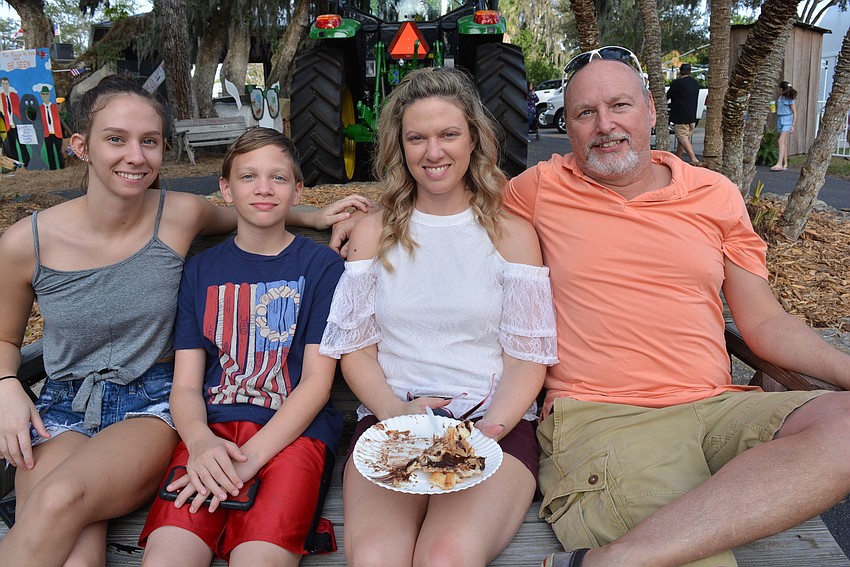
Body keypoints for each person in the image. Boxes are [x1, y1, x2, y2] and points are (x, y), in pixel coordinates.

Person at [499, 47, 850, 567]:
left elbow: (765, 322)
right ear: (567, 128)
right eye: (584, 113)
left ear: (651, 112)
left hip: (717, 407)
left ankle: (602, 562)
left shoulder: (715, 194)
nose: (605, 125)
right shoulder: (537, 189)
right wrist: (341, 217)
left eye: (620, 105)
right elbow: (440, 208)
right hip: (605, 415)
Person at [0, 75, 366, 567]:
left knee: (57, 501)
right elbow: (5, 336)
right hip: (62, 407)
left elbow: (251, 211)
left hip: (146, 405)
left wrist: (314, 217)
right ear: (80, 146)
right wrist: (5, 386)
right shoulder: (27, 242)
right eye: (116, 139)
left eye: (149, 141)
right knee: (75, 553)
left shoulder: (177, 215)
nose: (135, 156)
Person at [319, 66, 558, 566]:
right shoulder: (374, 231)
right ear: (399, 147)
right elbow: (356, 351)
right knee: (377, 559)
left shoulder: (511, 234)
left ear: (474, 139)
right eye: (417, 138)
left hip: (492, 428)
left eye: (449, 134)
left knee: (445, 557)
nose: (433, 152)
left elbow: (526, 360)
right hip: (392, 421)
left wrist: (484, 435)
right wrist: (393, 414)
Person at [139, 128, 344, 566]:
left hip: (293, 435)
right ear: (226, 190)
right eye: (249, 177)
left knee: (258, 558)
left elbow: (316, 384)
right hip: (211, 435)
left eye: (279, 178)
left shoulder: (321, 266)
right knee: (167, 556)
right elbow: (187, 386)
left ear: (298, 191)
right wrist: (197, 442)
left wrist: (249, 460)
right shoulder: (199, 271)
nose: (264, 188)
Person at [666, 62, 701, 165]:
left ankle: (694, 159)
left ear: (680, 71)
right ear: (690, 71)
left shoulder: (677, 83)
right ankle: (678, 157)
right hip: (692, 117)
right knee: (683, 139)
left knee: (682, 137)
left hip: (681, 117)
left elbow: (667, 97)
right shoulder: (695, 83)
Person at [772, 80, 797, 171]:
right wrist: (772, 109)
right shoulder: (780, 98)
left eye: (779, 88)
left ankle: (779, 163)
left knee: (780, 141)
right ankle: (785, 163)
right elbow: (777, 110)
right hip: (780, 119)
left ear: (781, 89)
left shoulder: (790, 100)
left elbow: (795, 112)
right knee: (784, 142)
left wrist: (793, 125)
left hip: (787, 120)